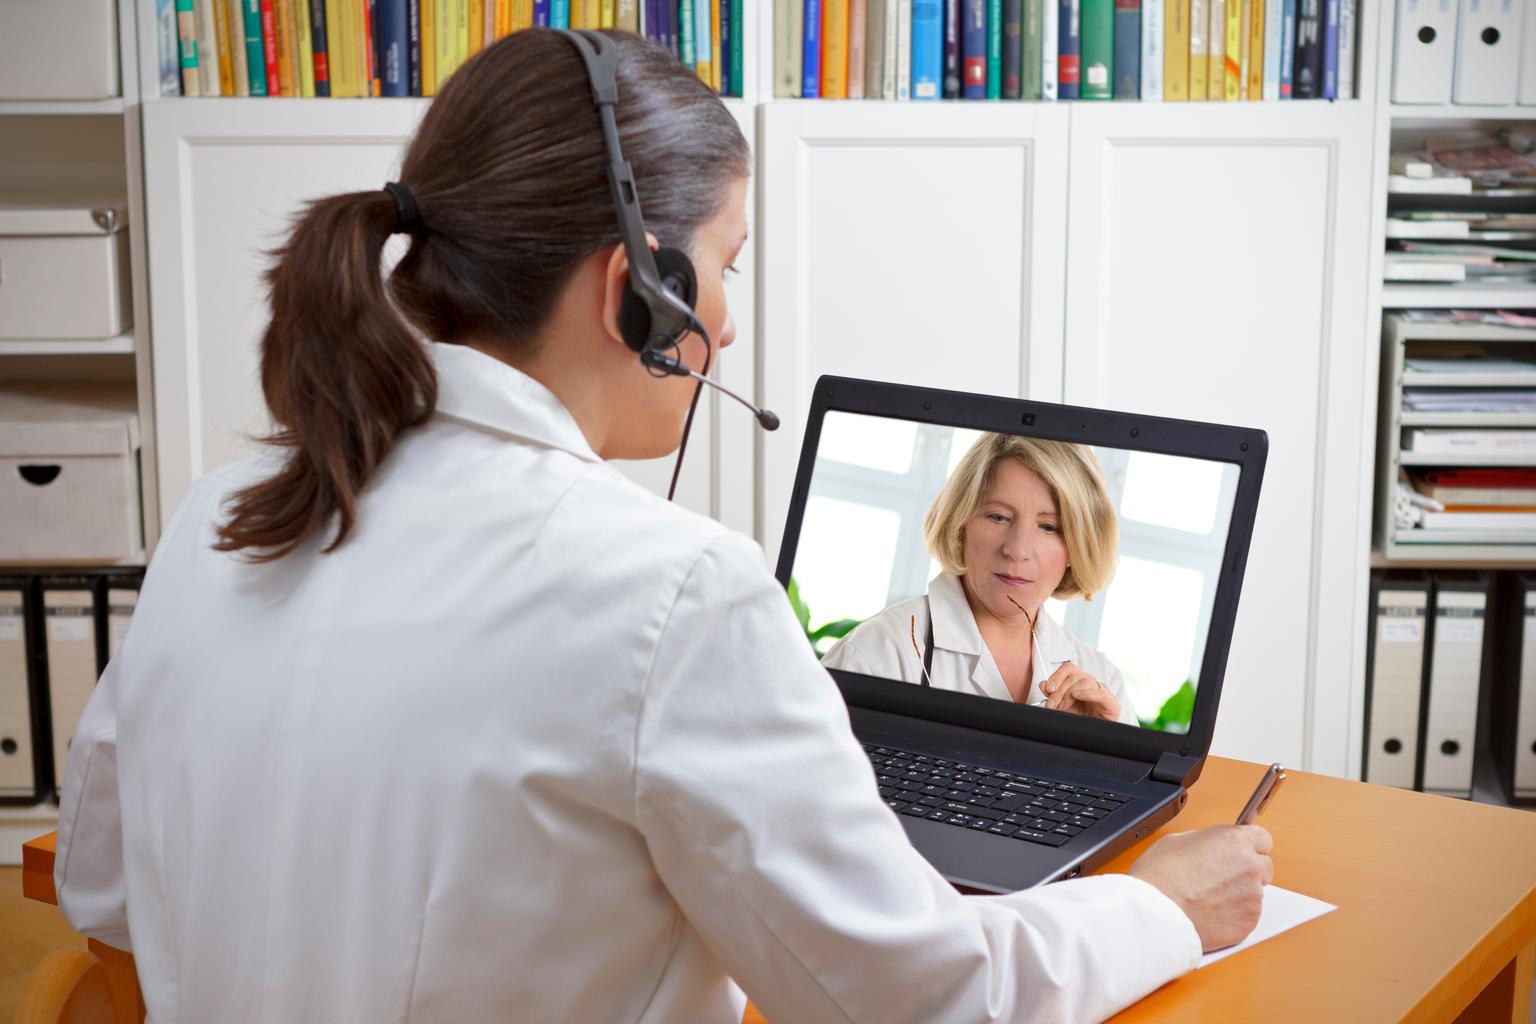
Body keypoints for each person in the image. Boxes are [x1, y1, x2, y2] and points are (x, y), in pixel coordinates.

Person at [53, 29, 1271, 1024]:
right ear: (633, 289)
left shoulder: (221, 518)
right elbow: (923, 996)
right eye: (724, 265)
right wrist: (1160, 906)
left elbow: (101, 890)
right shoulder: (673, 592)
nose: (727, 326)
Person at [823, 433, 1138, 725]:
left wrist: (1104, 761)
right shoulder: (876, 654)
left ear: (1077, 546)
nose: (1017, 550)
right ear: (962, 523)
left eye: (1049, 527)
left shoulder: (1103, 682)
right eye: (998, 517)